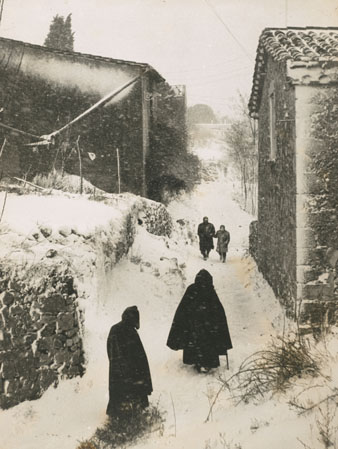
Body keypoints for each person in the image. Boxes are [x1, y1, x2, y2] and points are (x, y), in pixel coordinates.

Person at [166, 269, 232, 372]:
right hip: (207, 326)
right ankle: (206, 363)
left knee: (195, 343)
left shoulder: (193, 289)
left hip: (194, 325)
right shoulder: (209, 291)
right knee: (206, 344)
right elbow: (218, 311)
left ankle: (198, 361)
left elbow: (183, 308)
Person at [106, 306, 153, 417]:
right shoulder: (129, 331)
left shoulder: (116, 329)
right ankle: (128, 415)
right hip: (130, 370)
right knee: (131, 393)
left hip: (119, 369)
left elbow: (110, 350)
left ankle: (122, 414)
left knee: (120, 394)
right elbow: (139, 355)